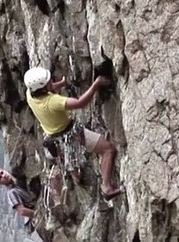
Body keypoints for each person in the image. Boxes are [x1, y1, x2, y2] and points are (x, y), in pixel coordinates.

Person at [23, 67, 122, 199]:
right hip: (71, 133)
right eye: (49, 81)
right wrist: (95, 85)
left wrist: (61, 84)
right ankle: (106, 187)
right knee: (108, 149)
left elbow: (47, 89)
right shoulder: (53, 102)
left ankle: (76, 177)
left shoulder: (29, 94)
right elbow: (80, 103)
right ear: (42, 87)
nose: (51, 81)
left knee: (71, 161)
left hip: (53, 137)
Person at [0, 168, 36, 232]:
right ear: (0, 183)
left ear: (5, 170)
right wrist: (37, 215)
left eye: (2, 172)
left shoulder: (18, 180)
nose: (3, 176)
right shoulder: (12, 193)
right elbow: (22, 211)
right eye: (0, 178)